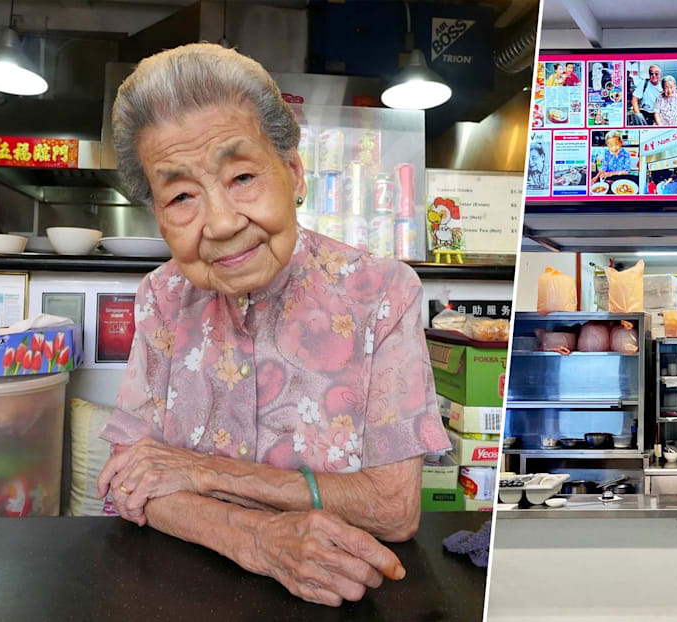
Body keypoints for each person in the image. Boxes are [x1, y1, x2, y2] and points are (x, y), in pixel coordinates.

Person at [95, 43, 451, 608]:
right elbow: (130, 479)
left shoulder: (382, 294)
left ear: (291, 171)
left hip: (340, 596)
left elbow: (392, 508)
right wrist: (256, 538)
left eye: (241, 177)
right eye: (182, 195)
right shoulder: (163, 296)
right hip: (182, 596)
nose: (220, 222)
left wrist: (201, 474)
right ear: (159, 215)